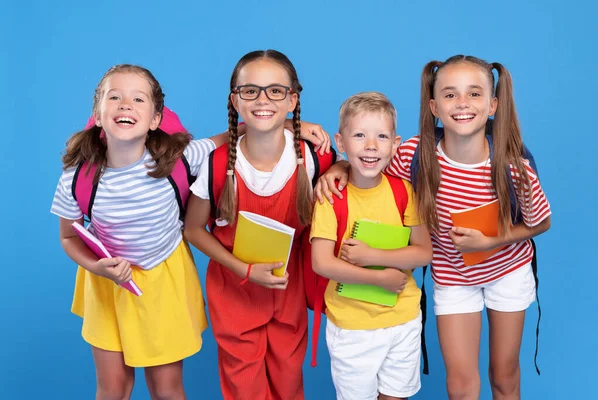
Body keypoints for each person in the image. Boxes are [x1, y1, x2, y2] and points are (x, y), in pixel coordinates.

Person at [51, 63, 329, 400]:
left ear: (156, 120)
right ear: (97, 114)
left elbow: (241, 131)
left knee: (166, 389)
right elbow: (68, 236)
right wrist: (96, 267)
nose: (125, 105)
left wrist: (291, 124)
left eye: (138, 99)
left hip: (162, 283)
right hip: (106, 284)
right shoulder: (76, 177)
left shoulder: (181, 160)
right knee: (113, 387)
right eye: (115, 97)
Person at [316, 55, 552, 400]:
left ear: (492, 105)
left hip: (507, 270)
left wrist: (491, 241)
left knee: (504, 375)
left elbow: (541, 221)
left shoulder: (512, 165)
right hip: (453, 275)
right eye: (449, 95)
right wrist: (337, 167)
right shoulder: (413, 153)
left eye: (474, 94)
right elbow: (367, 158)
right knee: (460, 383)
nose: (462, 104)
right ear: (434, 107)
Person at [183, 49, 335, 400]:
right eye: (250, 90)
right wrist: (245, 270)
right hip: (235, 294)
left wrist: (339, 170)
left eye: (275, 91)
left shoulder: (316, 157)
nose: (262, 99)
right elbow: (192, 229)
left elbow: (353, 177)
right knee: (245, 391)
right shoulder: (216, 164)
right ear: (235, 100)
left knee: (287, 385)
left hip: (289, 293)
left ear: (292, 99)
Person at [311, 92, 432, 400]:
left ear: (395, 144)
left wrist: (372, 256)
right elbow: (322, 263)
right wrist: (378, 276)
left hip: (403, 319)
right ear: (341, 142)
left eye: (381, 136)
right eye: (360, 135)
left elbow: (423, 251)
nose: (371, 145)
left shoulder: (403, 191)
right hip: (352, 326)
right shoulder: (331, 196)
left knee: (396, 395)